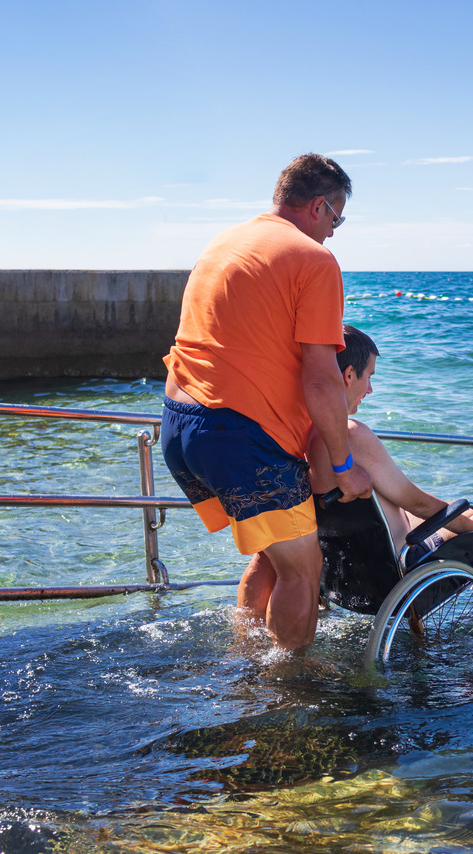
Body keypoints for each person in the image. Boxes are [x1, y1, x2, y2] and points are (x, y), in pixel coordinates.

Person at [161, 154, 372, 651]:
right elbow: (323, 380)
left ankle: (247, 657)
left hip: (179, 424)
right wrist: (343, 465)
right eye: (336, 218)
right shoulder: (313, 259)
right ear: (318, 205)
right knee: (303, 569)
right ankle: (287, 693)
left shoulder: (226, 241)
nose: (335, 232)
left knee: (272, 554)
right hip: (239, 435)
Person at [308, 325, 473, 558]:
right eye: (368, 377)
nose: (370, 390)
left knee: (461, 513)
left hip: (355, 565)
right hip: (407, 560)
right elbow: (419, 504)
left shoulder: (306, 436)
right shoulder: (353, 436)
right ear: (349, 375)